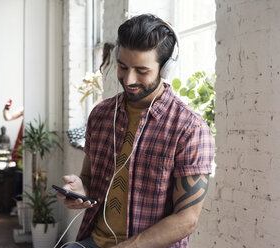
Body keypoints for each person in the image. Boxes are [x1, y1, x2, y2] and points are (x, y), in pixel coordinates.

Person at [58, 14, 215, 248]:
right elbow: (89, 179)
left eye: (142, 70)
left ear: (166, 68)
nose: (129, 79)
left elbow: (186, 220)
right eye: (123, 67)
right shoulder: (100, 115)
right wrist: (79, 190)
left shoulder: (190, 129)